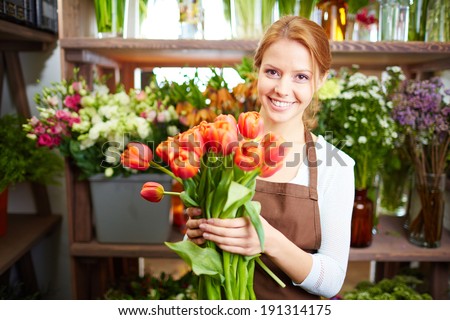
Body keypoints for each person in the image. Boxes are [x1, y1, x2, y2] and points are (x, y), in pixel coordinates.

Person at [185, 15, 355, 300]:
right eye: (273, 72)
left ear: (321, 80)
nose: (282, 89)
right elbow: (195, 261)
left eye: (301, 76)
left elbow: (333, 280)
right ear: (258, 69)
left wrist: (268, 241)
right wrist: (195, 236)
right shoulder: (218, 146)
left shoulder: (333, 165)